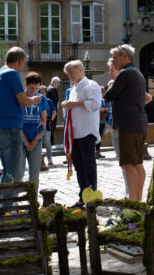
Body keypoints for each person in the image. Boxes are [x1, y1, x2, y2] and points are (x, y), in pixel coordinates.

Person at [0, 47, 40, 186]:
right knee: (14, 175)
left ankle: (2, 200)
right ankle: (8, 201)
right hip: (10, 128)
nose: (22, 67)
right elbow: (23, 101)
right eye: (23, 63)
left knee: (7, 172)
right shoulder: (12, 73)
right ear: (19, 61)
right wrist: (34, 100)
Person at [103, 44, 148, 201]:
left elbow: (109, 95)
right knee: (137, 165)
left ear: (124, 56)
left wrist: (108, 88)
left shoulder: (125, 73)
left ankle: (133, 203)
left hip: (128, 125)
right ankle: (138, 200)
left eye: (115, 57)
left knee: (129, 165)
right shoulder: (137, 73)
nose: (113, 60)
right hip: (139, 124)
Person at [62, 60, 101, 205]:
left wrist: (75, 104)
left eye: (70, 72)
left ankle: (91, 197)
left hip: (87, 132)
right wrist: (67, 106)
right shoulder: (73, 89)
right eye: (67, 73)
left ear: (80, 69)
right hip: (74, 134)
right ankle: (83, 197)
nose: (69, 76)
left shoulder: (91, 85)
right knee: (79, 167)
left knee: (89, 166)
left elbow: (95, 104)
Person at [22, 72, 46, 185]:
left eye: (37, 88)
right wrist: (26, 142)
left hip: (36, 139)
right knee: (19, 171)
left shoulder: (41, 99)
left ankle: (33, 194)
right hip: (20, 139)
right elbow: (17, 123)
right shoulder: (20, 98)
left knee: (35, 173)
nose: (34, 91)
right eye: (31, 88)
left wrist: (36, 139)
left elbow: (43, 121)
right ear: (25, 84)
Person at [46, 77, 61, 147]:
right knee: (51, 128)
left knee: (49, 128)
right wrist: (55, 112)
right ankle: (51, 144)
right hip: (52, 112)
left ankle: (50, 144)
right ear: (55, 82)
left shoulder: (48, 88)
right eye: (58, 83)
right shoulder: (53, 89)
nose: (58, 85)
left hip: (48, 111)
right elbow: (54, 102)